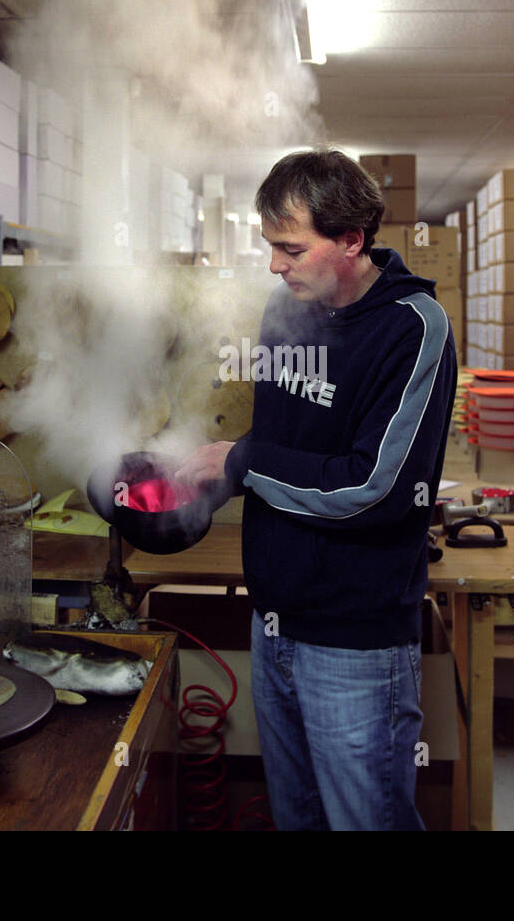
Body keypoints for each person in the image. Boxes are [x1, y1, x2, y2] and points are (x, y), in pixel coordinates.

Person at [175, 149, 458, 830]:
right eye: (270, 246)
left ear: (352, 239)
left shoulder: (413, 329)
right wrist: (197, 486)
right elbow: (282, 450)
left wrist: (239, 462)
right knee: (296, 818)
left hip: (354, 643)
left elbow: (372, 487)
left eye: (291, 247)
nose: (275, 264)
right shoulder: (286, 311)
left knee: (367, 821)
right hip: (274, 622)